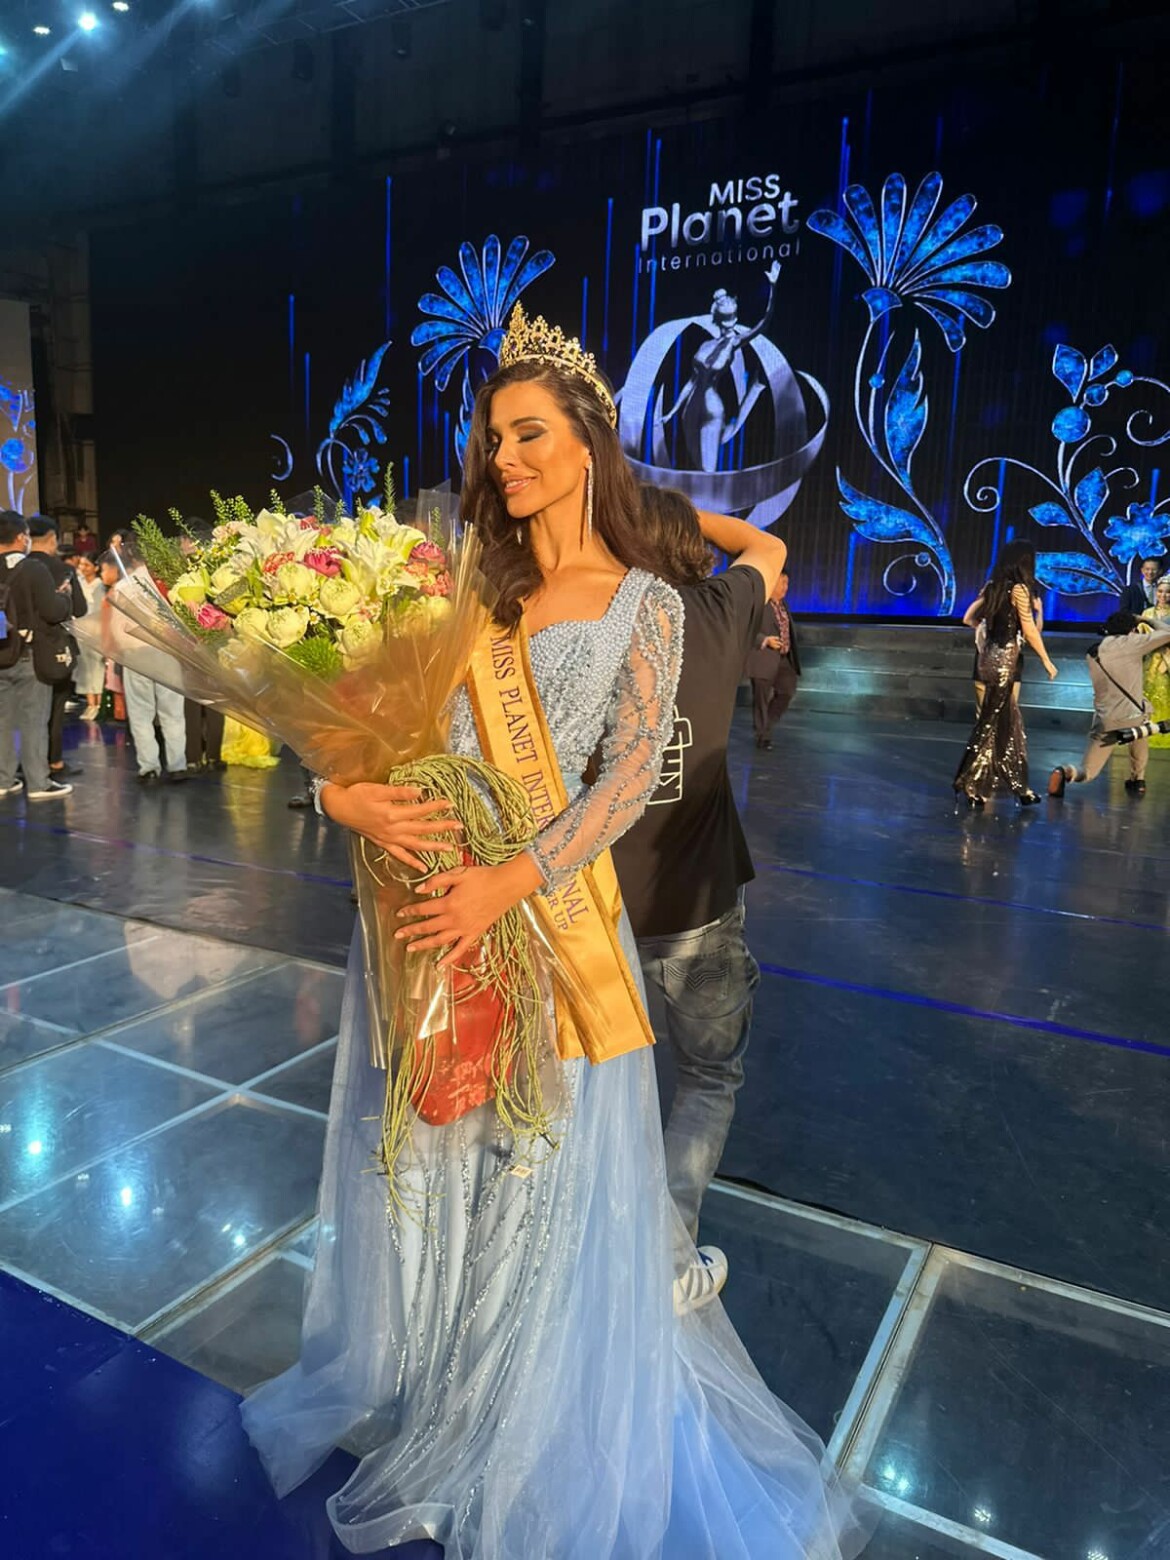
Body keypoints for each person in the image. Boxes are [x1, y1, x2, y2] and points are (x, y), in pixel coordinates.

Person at [241, 317, 869, 1559]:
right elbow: (367, 739)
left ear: (590, 446)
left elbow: (628, 776)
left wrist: (506, 884)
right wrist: (343, 798)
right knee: (441, 1192)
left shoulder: (644, 604)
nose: (507, 457)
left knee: (533, 1198)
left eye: (530, 433)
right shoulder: (461, 589)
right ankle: (449, 1423)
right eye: (494, 438)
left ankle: (510, 1448)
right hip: (433, 931)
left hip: (553, 936)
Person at [611, 484, 785, 1299]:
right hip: (698, 910)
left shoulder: (586, 624)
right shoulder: (713, 612)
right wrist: (684, 515)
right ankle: (667, 1262)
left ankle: (588, 1251)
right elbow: (767, 547)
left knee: (595, 1084)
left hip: (594, 910)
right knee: (709, 1078)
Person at [953, 541, 1057, 806]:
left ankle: (1016, 786)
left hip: (987, 658)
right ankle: (968, 780)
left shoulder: (993, 587)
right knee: (991, 721)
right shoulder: (1019, 589)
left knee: (1005, 722)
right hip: (1005, 661)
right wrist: (1046, 660)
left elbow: (969, 617)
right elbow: (1030, 630)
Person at [1048, 611, 1170, 797]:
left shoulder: (1093, 652)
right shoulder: (1133, 643)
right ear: (1132, 629)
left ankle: (1066, 772)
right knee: (1141, 725)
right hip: (1133, 718)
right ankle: (1138, 780)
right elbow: (1167, 633)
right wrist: (1145, 619)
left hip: (1105, 720)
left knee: (1088, 771)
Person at [0, 511, 73, 799]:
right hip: (29, 654)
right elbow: (52, 611)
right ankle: (38, 782)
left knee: (2, 721)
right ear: (21, 537)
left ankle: (4, 779)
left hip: (1, 654)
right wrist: (64, 597)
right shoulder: (33, 569)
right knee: (34, 720)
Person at [105, 537, 188, 784]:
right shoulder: (168, 583)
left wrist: (124, 653)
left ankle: (149, 768)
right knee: (172, 713)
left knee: (141, 714)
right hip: (168, 653)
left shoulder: (123, 587)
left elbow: (117, 628)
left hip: (136, 655)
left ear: (129, 557)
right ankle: (177, 765)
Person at [27, 517, 86, 778]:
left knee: (23, 711)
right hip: (56, 647)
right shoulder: (62, 570)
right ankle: (54, 761)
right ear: (53, 538)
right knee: (56, 708)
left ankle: (26, 764)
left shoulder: (19, 568)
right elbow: (80, 608)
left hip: (21, 647)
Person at [746, 566, 800, 749]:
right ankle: (763, 736)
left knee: (787, 691)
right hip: (763, 658)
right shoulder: (760, 605)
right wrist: (765, 640)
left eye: (787, 583)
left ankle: (765, 725)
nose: (785, 587)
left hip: (783, 659)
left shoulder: (784, 606)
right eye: (782, 582)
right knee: (761, 699)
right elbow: (745, 629)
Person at [1140, 579, 1170, 748]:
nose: (1163, 595)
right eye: (1160, 591)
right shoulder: (1147, 613)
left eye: (1167, 592)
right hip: (1150, 660)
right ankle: (1145, 729)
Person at [74, 557, 106, 719]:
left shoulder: (101, 585)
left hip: (98, 631)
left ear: (96, 567)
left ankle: (99, 704)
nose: (83, 567)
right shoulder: (78, 583)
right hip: (81, 630)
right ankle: (90, 704)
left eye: (87, 564)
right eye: (81, 564)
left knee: (98, 668)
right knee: (84, 668)